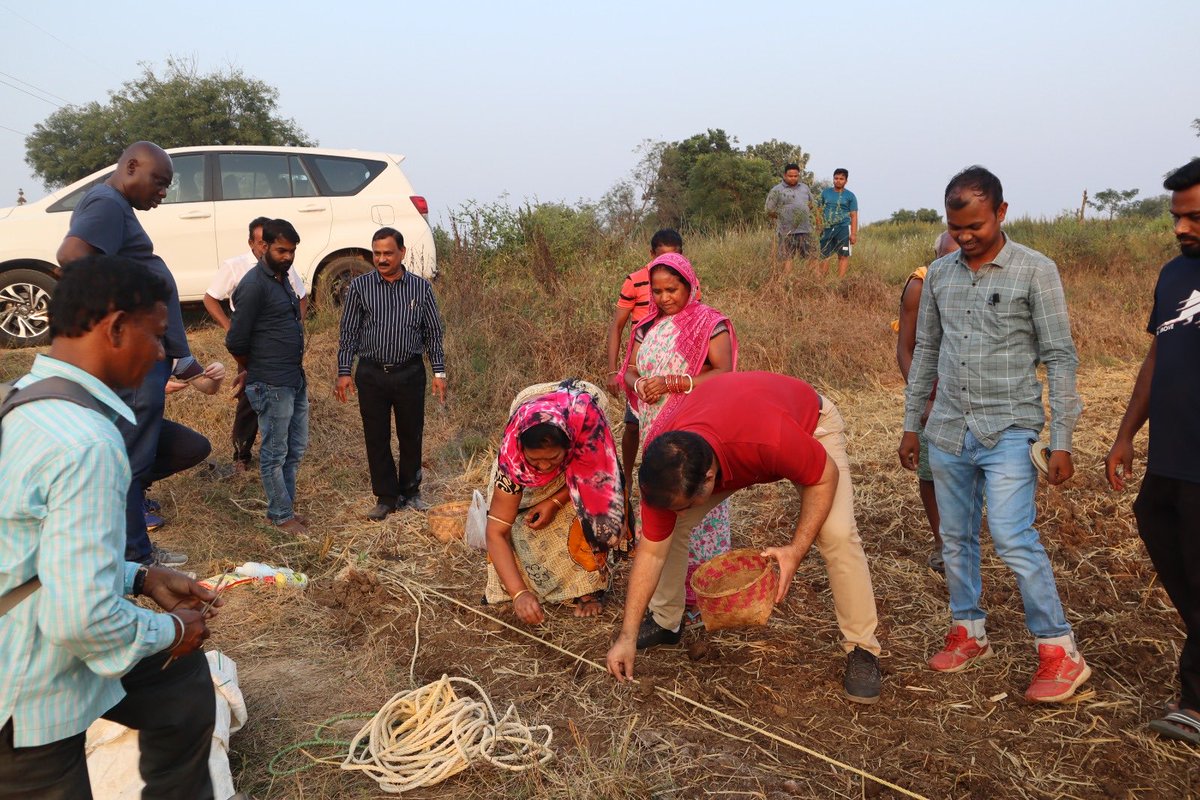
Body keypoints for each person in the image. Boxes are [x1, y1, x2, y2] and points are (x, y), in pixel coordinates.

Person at [0, 255, 221, 798]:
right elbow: (82, 619)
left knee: (179, 684)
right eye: (157, 335)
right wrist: (174, 631)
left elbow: (32, 548)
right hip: (25, 688)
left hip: (37, 631)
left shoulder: (24, 399)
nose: (162, 353)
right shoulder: (88, 443)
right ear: (117, 328)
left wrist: (140, 578)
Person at [899, 166, 1088, 703]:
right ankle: (968, 630)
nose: (964, 236)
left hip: (1009, 427)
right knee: (955, 537)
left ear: (1001, 213)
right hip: (948, 429)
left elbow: (1060, 356)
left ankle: (1059, 651)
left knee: (1011, 536)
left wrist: (1062, 438)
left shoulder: (1035, 270)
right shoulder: (940, 275)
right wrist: (912, 425)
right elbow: (926, 352)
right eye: (955, 227)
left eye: (975, 226)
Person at [606, 371, 883, 705]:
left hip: (808, 425)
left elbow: (825, 476)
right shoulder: (666, 466)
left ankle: (863, 649)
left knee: (837, 534)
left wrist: (796, 549)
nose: (680, 511)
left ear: (709, 478)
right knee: (670, 529)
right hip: (740, 435)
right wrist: (627, 636)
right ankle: (666, 621)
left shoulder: (769, 439)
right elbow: (651, 553)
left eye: (686, 504)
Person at [56, 141, 222, 568]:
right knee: (128, 458)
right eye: (159, 182)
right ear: (131, 166)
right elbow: (72, 256)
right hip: (135, 361)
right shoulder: (107, 203)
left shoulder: (115, 207)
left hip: (150, 360)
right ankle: (134, 556)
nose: (163, 192)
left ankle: (127, 540)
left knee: (156, 451)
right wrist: (125, 323)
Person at [1104, 158, 1200, 743]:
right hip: (1170, 454)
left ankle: (1195, 702)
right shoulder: (1173, 274)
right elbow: (1158, 354)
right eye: (1176, 217)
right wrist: (1125, 434)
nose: (1182, 228)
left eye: (1195, 217)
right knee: (1171, 551)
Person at [619, 252, 736, 615]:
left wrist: (674, 382)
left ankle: (701, 593)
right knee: (663, 498)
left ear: (690, 285)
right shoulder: (646, 327)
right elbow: (630, 370)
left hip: (696, 425)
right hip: (655, 426)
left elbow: (724, 372)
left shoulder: (709, 323)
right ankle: (665, 598)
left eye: (672, 289)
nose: (664, 297)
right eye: (657, 291)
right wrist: (640, 385)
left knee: (696, 497)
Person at [483, 380, 628, 624]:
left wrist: (555, 501)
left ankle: (587, 589)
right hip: (537, 429)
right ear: (522, 450)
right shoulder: (512, 463)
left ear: (569, 447)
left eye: (552, 458)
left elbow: (594, 482)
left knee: (589, 513)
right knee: (516, 530)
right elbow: (496, 531)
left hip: (580, 449)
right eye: (534, 460)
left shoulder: (587, 433)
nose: (543, 467)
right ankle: (522, 585)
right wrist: (519, 594)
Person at [335, 227, 447, 520]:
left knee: (411, 434)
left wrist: (439, 372)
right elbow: (349, 333)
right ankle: (386, 497)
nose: (382, 259)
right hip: (371, 374)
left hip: (409, 372)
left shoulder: (421, 289)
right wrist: (344, 371)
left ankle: (411, 492)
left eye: (388, 253)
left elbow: (433, 334)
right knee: (376, 436)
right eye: (377, 253)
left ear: (402, 253)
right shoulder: (360, 287)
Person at [204, 216, 308, 472]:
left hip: (278, 351)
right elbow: (211, 298)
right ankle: (242, 453)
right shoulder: (239, 269)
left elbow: (301, 297)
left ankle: (277, 453)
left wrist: (293, 325)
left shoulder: (282, 267)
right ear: (252, 243)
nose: (264, 247)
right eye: (261, 242)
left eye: (289, 250)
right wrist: (230, 327)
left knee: (276, 403)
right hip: (250, 344)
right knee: (249, 399)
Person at [226, 219, 309, 536]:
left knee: (294, 448)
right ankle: (279, 515)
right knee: (275, 452)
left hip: (293, 378)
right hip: (271, 382)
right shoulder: (253, 285)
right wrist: (252, 368)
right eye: (281, 250)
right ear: (264, 247)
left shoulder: (282, 279)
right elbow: (235, 341)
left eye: (292, 251)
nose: (287, 256)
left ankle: (285, 508)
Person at [895, 231, 960, 573]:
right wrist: (922, 400)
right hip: (932, 388)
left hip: (969, 391)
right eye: (945, 256)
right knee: (931, 471)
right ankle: (942, 543)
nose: (953, 262)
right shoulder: (919, 287)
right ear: (935, 257)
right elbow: (905, 349)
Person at [605, 229, 684, 508]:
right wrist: (613, 371)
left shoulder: (686, 281)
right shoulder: (635, 281)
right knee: (633, 424)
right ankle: (627, 478)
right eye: (663, 257)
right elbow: (617, 326)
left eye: (676, 256)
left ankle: (670, 481)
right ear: (651, 255)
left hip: (673, 366)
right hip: (641, 364)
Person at [765, 163, 813, 276]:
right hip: (786, 231)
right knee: (787, 258)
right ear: (784, 175)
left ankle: (811, 281)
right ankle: (787, 281)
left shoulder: (805, 188)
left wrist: (804, 211)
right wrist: (782, 217)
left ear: (798, 175)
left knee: (811, 257)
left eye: (796, 176)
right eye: (790, 176)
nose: (793, 178)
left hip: (805, 230)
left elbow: (811, 204)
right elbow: (769, 210)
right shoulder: (776, 190)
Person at [817, 168, 859, 278]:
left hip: (843, 228)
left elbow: (854, 215)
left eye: (841, 179)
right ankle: (823, 280)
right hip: (827, 227)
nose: (838, 181)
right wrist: (819, 226)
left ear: (846, 181)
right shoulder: (825, 193)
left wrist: (853, 234)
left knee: (843, 255)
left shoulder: (850, 196)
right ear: (833, 179)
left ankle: (840, 282)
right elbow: (818, 211)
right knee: (824, 255)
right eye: (836, 178)